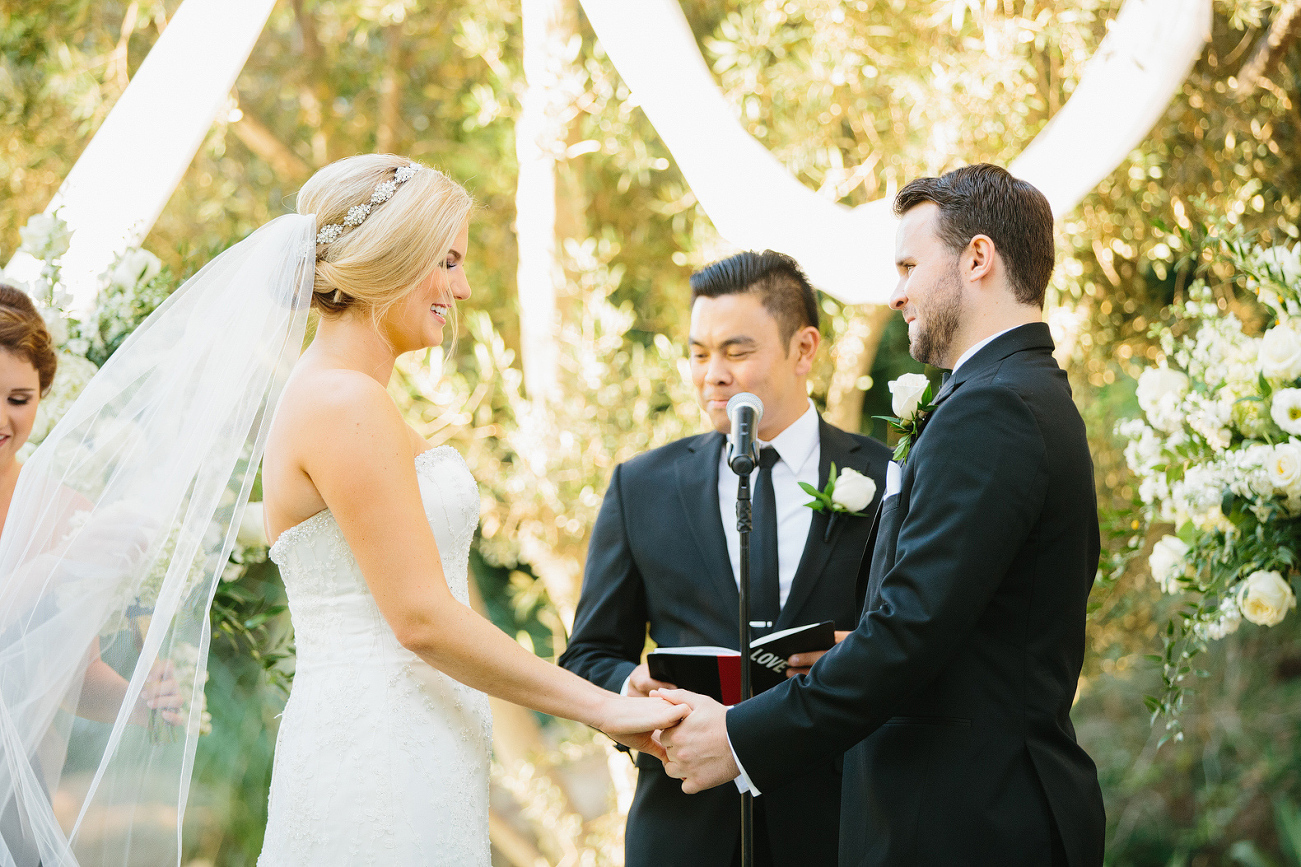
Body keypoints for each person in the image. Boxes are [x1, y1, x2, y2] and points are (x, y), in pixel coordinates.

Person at [657, 164, 1107, 867]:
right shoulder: (1012, 394)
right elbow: (960, 626)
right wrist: (847, 648)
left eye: (907, 265)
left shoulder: (993, 409)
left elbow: (908, 630)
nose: (895, 292)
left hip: (969, 824)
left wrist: (742, 734)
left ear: (977, 258)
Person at [254, 154, 687, 866]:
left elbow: (438, 601)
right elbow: (421, 617)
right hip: (376, 759)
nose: (460, 287)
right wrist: (603, 706)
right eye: (447, 261)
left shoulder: (348, 394)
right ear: (392, 257)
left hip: (409, 740)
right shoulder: (343, 403)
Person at [559, 251, 891, 867]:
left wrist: (855, 653)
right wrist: (632, 689)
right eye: (698, 353)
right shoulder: (642, 486)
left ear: (804, 349)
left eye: (736, 353)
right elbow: (588, 655)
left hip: (842, 827)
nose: (712, 375)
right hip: (684, 830)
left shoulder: (886, 476)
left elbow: (912, 641)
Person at [0, 283, 181, 865]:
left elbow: (75, 674)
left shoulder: (65, 508)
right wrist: (56, 565)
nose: (3, 418)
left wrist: (137, 700)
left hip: (23, 798)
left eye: (19, 399)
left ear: (43, 395)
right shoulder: (68, 539)